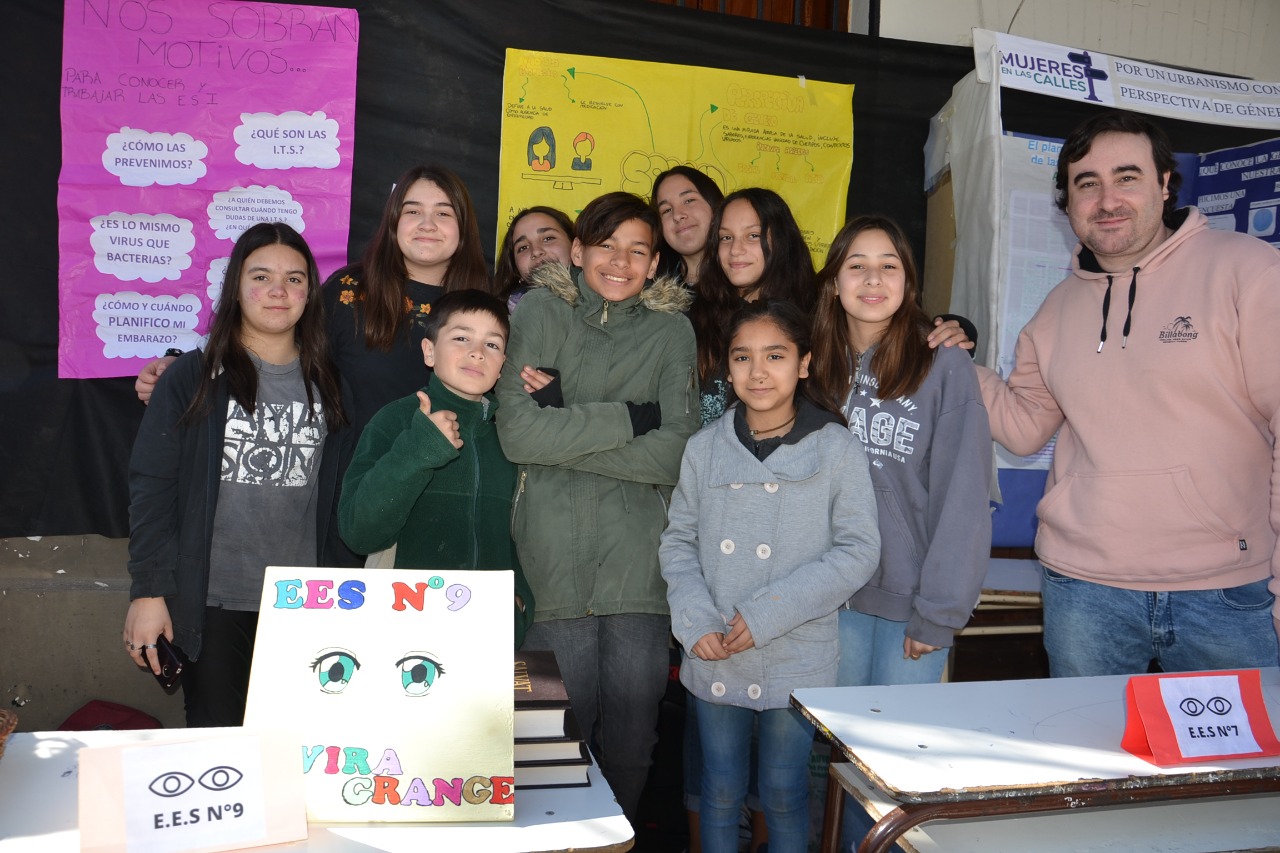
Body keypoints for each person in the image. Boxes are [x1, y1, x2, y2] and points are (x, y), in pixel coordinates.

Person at [977, 110, 1280, 677]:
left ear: (1165, 184)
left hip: (1229, 594)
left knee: (1245, 741)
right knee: (1088, 738)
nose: (1107, 199)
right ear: (1067, 201)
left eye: (1127, 177)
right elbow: (1023, 427)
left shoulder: (1249, 271)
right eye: (1087, 183)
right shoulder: (1055, 310)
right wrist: (953, 363)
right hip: (1084, 591)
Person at [494, 191, 699, 823]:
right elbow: (516, 435)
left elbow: (677, 452)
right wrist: (630, 419)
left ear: (654, 262)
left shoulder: (672, 331)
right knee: (547, 743)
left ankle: (616, 840)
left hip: (638, 570)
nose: (620, 262)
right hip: (546, 566)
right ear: (578, 251)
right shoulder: (540, 312)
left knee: (633, 745)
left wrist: (563, 428)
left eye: (638, 250)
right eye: (606, 245)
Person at [660, 299, 880, 853]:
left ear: (804, 363)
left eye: (775, 356)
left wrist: (765, 615)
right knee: (719, 788)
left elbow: (858, 550)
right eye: (743, 357)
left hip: (796, 650)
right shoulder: (704, 448)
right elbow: (678, 541)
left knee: (783, 793)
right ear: (728, 367)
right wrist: (695, 620)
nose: (758, 372)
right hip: (715, 646)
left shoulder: (835, 446)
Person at [123, 222, 359, 727]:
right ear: (235, 287)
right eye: (261, 276)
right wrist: (148, 592)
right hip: (212, 603)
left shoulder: (332, 384)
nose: (279, 290)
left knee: (295, 750)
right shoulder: (191, 376)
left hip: (304, 606)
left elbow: (343, 498)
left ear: (309, 294)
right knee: (221, 750)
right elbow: (152, 486)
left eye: (295, 279)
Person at [808, 214, 992, 851]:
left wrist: (939, 611)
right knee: (835, 763)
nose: (872, 279)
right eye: (856, 265)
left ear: (909, 282)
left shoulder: (944, 363)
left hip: (908, 606)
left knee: (894, 774)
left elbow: (965, 495)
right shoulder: (811, 363)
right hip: (827, 599)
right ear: (833, 282)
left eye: (889, 265)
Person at [136, 164, 490, 433]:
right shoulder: (350, 291)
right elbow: (270, 342)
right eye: (412, 211)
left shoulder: (487, 308)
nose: (427, 224)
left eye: (443, 213)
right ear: (394, 221)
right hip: (355, 485)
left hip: (455, 485)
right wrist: (185, 368)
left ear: (463, 227)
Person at [338, 289, 536, 648]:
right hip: (404, 635)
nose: (477, 352)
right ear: (429, 351)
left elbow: (520, 534)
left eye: (492, 344)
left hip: (490, 637)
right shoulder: (396, 421)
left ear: (503, 364)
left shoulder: (512, 432)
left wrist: (518, 602)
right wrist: (418, 449)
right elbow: (359, 532)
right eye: (461, 338)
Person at [690, 188, 816, 426]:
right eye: (726, 238)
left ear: (781, 240)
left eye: (753, 235)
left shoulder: (816, 318)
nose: (735, 250)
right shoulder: (692, 316)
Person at [651, 165, 724, 286]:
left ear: (714, 203)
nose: (677, 215)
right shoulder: (647, 288)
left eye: (689, 201)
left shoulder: (746, 283)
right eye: (667, 210)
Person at [493, 206, 574, 312]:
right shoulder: (498, 319)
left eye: (548, 238)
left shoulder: (595, 303)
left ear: (576, 246)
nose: (536, 251)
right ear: (516, 269)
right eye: (523, 247)